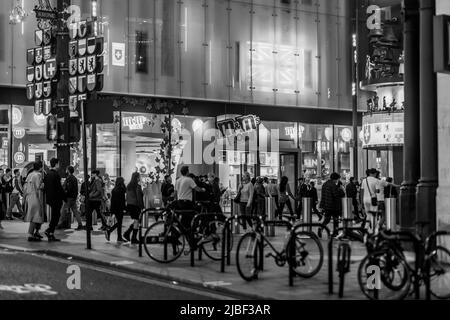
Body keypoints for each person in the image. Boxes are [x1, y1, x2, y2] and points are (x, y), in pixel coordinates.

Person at [43, 158, 66, 242]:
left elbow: (45, 187)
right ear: (56, 164)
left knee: (55, 215)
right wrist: (64, 198)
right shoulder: (56, 175)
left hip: (49, 198)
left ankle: (50, 231)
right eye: (58, 164)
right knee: (56, 216)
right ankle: (50, 231)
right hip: (56, 199)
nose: (59, 165)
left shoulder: (47, 174)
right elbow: (59, 188)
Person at [318, 172, 345, 238]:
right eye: (338, 179)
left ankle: (321, 228)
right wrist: (341, 189)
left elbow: (323, 196)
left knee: (327, 219)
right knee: (336, 220)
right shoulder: (334, 185)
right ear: (336, 179)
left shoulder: (325, 184)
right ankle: (335, 233)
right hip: (334, 205)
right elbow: (337, 195)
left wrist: (321, 205)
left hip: (326, 205)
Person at [24, 162, 45, 242]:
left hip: (29, 197)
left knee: (35, 216)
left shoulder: (30, 174)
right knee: (35, 216)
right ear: (40, 168)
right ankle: (31, 234)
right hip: (36, 197)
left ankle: (36, 232)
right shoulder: (38, 175)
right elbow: (39, 186)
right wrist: (43, 185)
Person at [59, 166, 84, 231]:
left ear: (68, 171)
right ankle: (80, 224)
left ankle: (59, 224)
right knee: (75, 211)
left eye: (66, 170)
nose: (65, 171)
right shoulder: (75, 178)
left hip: (69, 198)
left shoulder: (69, 178)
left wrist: (65, 194)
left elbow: (68, 188)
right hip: (73, 197)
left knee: (63, 211)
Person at [123, 172, 144, 244]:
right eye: (139, 176)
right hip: (135, 205)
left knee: (136, 220)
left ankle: (127, 234)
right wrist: (142, 206)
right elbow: (139, 197)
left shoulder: (129, 185)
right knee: (137, 221)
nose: (140, 178)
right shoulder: (137, 186)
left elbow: (127, 196)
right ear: (137, 177)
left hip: (130, 205)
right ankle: (133, 238)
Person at [106, 177, 127, 242]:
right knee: (119, 223)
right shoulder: (121, 189)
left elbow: (113, 200)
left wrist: (112, 210)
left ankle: (118, 236)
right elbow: (122, 200)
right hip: (120, 208)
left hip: (115, 208)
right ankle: (111, 232)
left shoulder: (114, 189)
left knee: (119, 223)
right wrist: (124, 208)